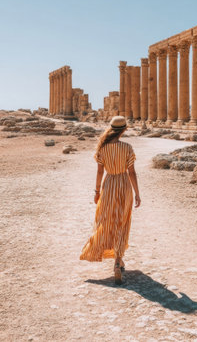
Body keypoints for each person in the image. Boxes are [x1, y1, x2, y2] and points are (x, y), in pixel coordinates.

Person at [80, 115, 141, 284]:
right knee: (123, 221)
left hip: (109, 185)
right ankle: (117, 261)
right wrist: (137, 193)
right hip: (124, 185)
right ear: (123, 130)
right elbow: (132, 173)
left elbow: (100, 172)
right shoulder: (127, 147)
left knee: (106, 221)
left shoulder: (102, 148)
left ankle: (102, 251)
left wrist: (97, 191)